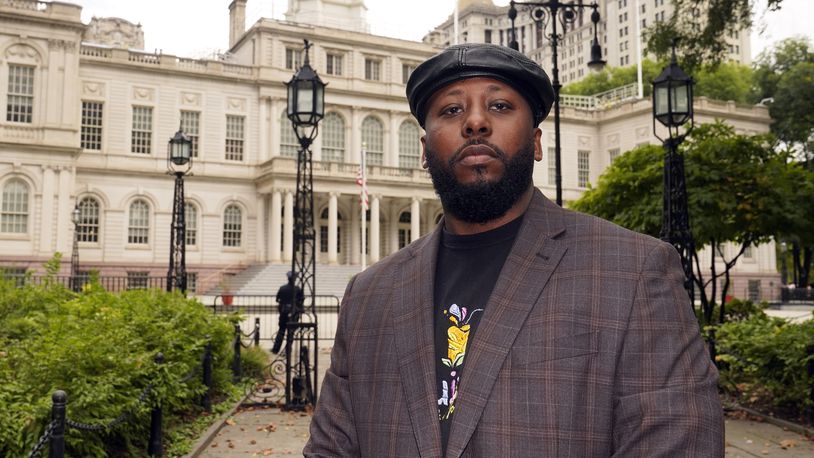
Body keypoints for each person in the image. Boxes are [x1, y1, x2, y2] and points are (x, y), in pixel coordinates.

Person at [305, 43, 722, 457]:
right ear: (424, 152)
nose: (475, 122)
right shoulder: (368, 295)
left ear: (537, 143)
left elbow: (677, 445)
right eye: (451, 110)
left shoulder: (633, 271)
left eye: (500, 106)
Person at [271, 271, 303, 354]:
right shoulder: (297, 289)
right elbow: (301, 300)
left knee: (281, 331)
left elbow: (277, 299)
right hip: (294, 313)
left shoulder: (283, 288)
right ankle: (287, 351)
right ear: (295, 279)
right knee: (291, 333)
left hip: (284, 312)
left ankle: (275, 349)